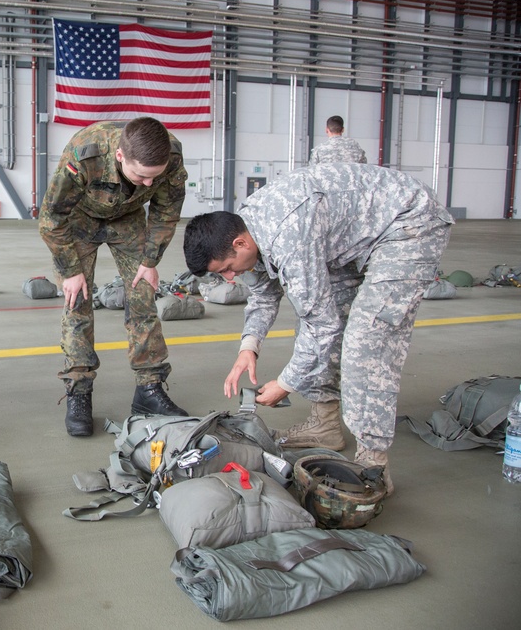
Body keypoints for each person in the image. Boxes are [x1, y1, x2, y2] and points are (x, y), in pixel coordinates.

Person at [182, 163, 454, 494]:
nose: (228, 279)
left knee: (365, 339)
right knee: (319, 314)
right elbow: (263, 297)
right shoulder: (245, 233)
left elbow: (321, 325)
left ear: (240, 244)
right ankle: (326, 423)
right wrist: (248, 348)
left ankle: (373, 464)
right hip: (351, 237)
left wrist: (286, 383)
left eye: (226, 270)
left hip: (408, 223)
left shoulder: (287, 235)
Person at [39, 117, 189, 437]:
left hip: (128, 219)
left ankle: (150, 389)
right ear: (120, 156)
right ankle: (79, 391)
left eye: (155, 177)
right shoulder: (85, 154)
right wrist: (70, 271)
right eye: (141, 176)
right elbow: (51, 218)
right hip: (79, 217)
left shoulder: (171, 157)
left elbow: (166, 210)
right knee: (77, 302)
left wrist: (150, 260)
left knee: (143, 297)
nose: (148, 184)